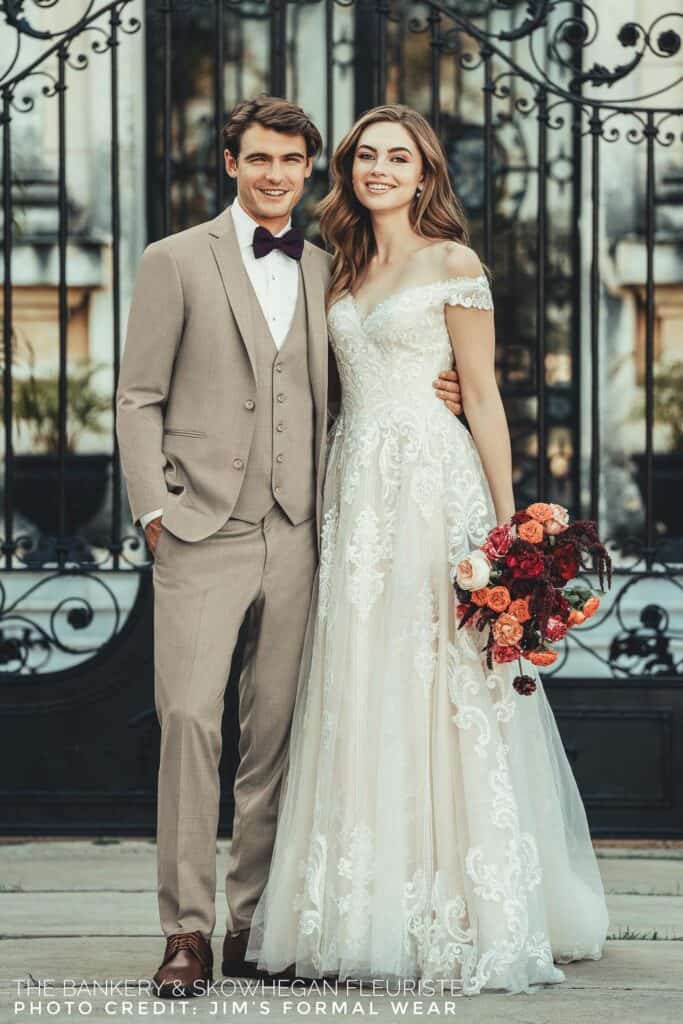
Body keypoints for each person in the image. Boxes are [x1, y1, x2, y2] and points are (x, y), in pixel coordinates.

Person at [244, 104, 610, 996]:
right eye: (364, 155)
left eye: (396, 157)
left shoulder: (454, 262)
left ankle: (465, 902)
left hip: (432, 486)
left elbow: (480, 396)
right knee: (360, 679)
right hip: (355, 491)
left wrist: (507, 526)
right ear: (349, 169)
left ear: (424, 173)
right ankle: (361, 902)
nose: (377, 169)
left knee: (444, 679)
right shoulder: (335, 266)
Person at [115, 95, 461, 998]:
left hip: (305, 530)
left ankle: (249, 920)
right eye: (259, 159)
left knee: (274, 737)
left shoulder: (327, 270)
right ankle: (184, 929)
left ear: (311, 172)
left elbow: (365, 375)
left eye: (292, 163)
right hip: (201, 529)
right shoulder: (173, 260)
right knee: (191, 720)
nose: (275, 176)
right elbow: (137, 396)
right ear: (230, 162)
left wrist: (440, 391)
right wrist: (155, 510)